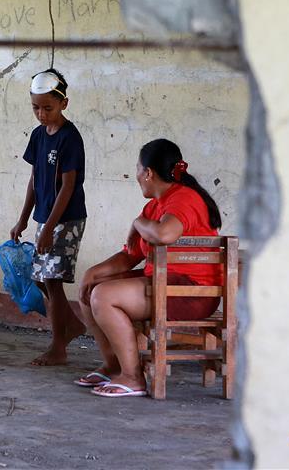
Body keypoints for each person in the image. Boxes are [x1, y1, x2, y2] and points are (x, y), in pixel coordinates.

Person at [74, 138, 222, 397]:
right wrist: (93, 273)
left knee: (104, 296)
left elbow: (164, 234)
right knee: (90, 289)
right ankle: (114, 366)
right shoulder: (155, 206)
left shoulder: (184, 198)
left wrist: (137, 222)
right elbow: (131, 255)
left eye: (137, 169)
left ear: (148, 172)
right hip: (166, 285)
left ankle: (133, 378)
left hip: (191, 292)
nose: (137, 176)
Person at [10, 69, 88, 366]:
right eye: (36, 107)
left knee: (52, 282)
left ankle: (59, 346)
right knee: (42, 279)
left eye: (48, 108)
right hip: (45, 217)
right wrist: (24, 219)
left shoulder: (70, 138)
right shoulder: (38, 136)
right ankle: (73, 325)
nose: (41, 114)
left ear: (64, 104)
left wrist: (49, 229)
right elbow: (34, 179)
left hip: (65, 218)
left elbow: (67, 186)